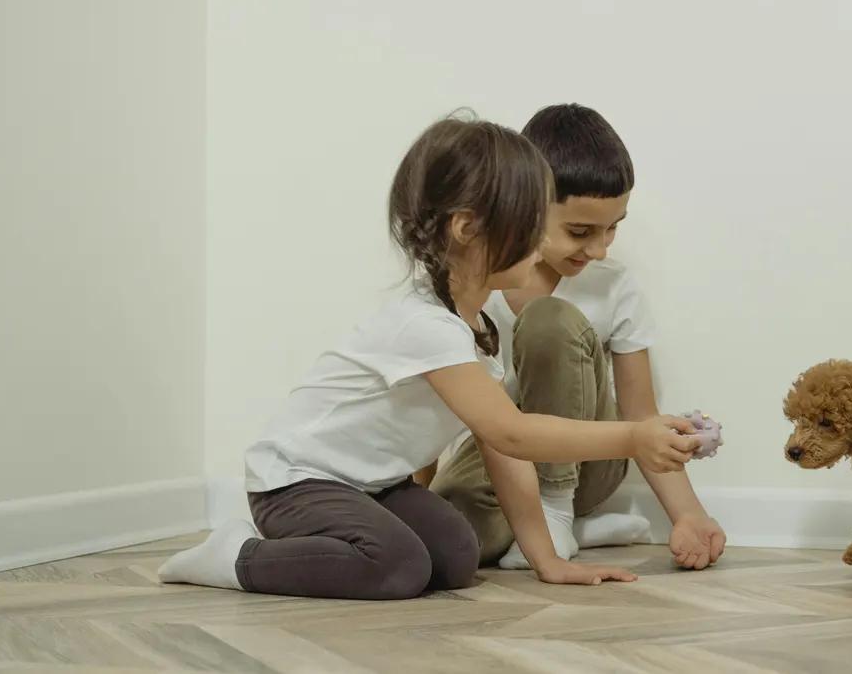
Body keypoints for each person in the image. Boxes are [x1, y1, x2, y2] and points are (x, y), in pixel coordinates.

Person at [156, 113, 702, 600]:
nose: (541, 244)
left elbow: (500, 446)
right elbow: (512, 433)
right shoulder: (425, 325)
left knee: (456, 557)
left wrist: (548, 561)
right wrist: (632, 438)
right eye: (530, 225)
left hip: (372, 484)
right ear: (467, 228)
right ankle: (234, 556)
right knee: (397, 566)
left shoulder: (475, 325)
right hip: (298, 481)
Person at [428, 104, 728, 571]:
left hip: (589, 463)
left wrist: (689, 514)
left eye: (612, 228)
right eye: (580, 231)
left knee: (549, 320)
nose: (600, 247)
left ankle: (558, 509)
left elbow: (639, 412)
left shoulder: (613, 285)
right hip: (509, 453)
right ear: (524, 206)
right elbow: (434, 405)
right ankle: (575, 530)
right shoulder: (475, 285)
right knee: (451, 537)